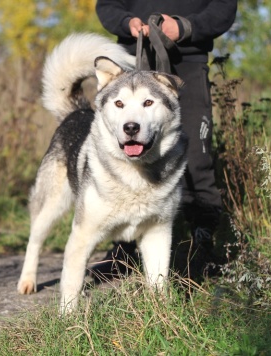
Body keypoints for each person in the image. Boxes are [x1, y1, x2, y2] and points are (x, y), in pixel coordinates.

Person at [91, 0, 238, 279]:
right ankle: (123, 250)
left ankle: (202, 244)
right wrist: (128, 23)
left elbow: (224, 7)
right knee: (123, 163)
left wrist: (185, 27)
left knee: (197, 159)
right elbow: (107, 5)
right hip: (131, 61)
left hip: (189, 63)